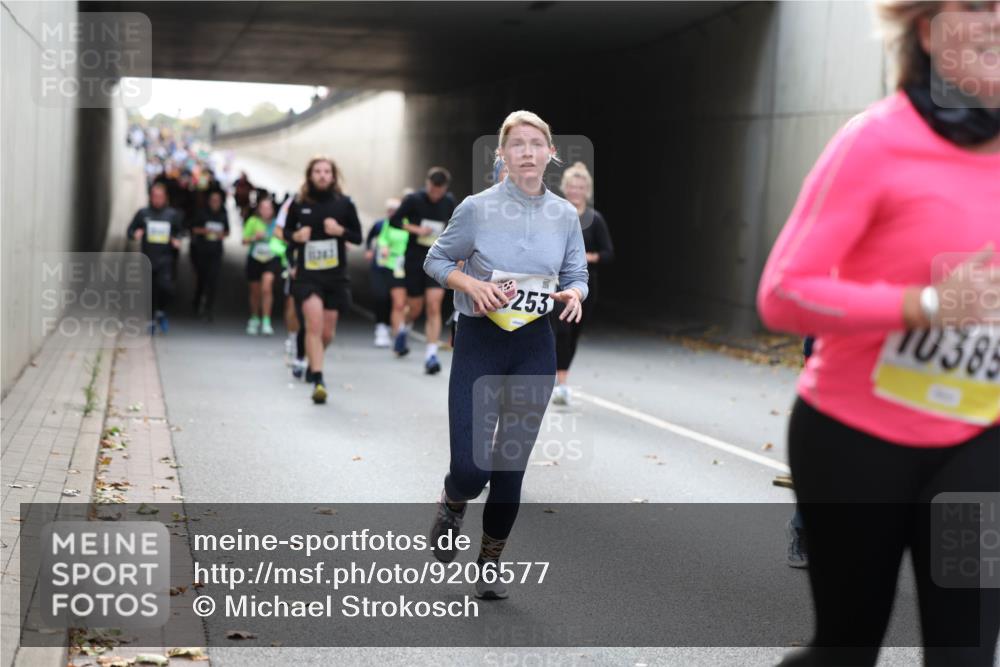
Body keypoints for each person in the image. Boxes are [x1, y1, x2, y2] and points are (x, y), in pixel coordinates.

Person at [758, 2, 1000, 664]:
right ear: (926, 30)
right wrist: (924, 304)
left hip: (978, 441)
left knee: (968, 653)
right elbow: (783, 292)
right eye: (975, 5)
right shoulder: (876, 141)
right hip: (855, 436)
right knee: (846, 646)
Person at [424, 110, 589, 600]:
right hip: (480, 341)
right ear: (502, 154)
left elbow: (577, 273)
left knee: (509, 468)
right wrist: (471, 283)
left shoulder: (565, 215)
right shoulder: (476, 208)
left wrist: (575, 293)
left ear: (551, 152)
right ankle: (453, 500)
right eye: (517, 144)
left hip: (534, 345)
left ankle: (490, 560)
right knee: (473, 471)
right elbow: (434, 259)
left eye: (536, 144)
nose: (527, 152)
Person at [284, 157, 363, 403]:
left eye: (326, 171)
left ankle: (312, 361)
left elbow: (358, 237)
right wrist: (296, 235)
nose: (322, 175)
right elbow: (286, 233)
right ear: (310, 175)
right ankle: (318, 378)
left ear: (333, 176)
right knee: (314, 326)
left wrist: (341, 232)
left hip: (335, 276)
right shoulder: (298, 203)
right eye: (317, 171)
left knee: (327, 333)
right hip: (308, 276)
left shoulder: (344, 204)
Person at [551, 162, 614, 406]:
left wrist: (588, 257)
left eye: (580, 187)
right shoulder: (556, 214)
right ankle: (562, 384)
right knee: (561, 332)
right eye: (572, 187)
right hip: (558, 283)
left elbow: (609, 253)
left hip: (587, 284)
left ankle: (560, 378)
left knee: (573, 334)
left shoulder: (595, 219)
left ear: (586, 190)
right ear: (565, 188)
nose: (575, 191)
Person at [389, 167, 457, 374]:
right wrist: (415, 229)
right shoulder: (413, 199)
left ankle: (431, 355)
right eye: (431, 190)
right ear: (427, 184)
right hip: (416, 259)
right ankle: (404, 329)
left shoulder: (449, 202)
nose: (435, 195)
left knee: (434, 306)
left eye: (439, 191)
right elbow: (394, 220)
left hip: (438, 259)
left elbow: (455, 226)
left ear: (445, 189)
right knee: (415, 307)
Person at [127, 183, 184, 334]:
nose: (157, 199)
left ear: (165, 198)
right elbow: (130, 231)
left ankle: (161, 311)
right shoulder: (143, 213)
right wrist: (135, 234)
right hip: (148, 258)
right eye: (154, 196)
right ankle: (151, 320)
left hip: (166, 259)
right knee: (150, 291)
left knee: (166, 288)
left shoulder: (172, 215)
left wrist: (176, 239)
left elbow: (180, 232)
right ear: (150, 197)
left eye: (160, 196)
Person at [364, 198, 407, 348]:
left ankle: (395, 328)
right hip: (380, 266)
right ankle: (381, 327)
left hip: (398, 267)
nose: (392, 213)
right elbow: (370, 237)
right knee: (380, 296)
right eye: (390, 211)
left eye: (395, 210)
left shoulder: (406, 225)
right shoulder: (381, 224)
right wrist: (370, 250)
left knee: (396, 301)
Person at [243, 197, 286, 336]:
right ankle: (255, 317)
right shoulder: (253, 221)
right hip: (255, 257)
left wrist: (277, 237)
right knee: (255, 291)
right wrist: (255, 237)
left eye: (269, 208)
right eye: (263, 208)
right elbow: (244, 240)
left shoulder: (277, 224)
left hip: (271, 258)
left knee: (267, 287)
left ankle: (266, 320)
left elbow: (286, 239)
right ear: (259, 209)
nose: (266, 211)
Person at [189, 189, 230, 321]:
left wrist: (220, 234)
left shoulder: (223, 215)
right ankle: (196, 303)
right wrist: (205, 231)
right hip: (201, 251)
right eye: (213, 200)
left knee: (213, 281)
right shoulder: (202, 213)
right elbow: (193, 228)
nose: (215, 203)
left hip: (216, 252)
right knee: (201, 280)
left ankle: (209, 308)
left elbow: (227, 231)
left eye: (217, 200)